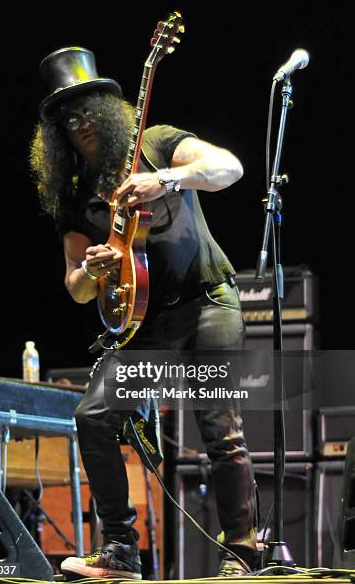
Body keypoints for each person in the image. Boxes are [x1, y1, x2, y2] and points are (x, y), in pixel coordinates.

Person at [30, 46, 258, 580]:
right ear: (57, 133)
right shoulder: (74, 196)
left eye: (88, 109)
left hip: (206, 302)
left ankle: (243, 554)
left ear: (109, 110)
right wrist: (96, 268)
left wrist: (169, 180)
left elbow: (231, 167)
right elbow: (78, 289)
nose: (80, 123)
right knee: (94, 416)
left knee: (219, 427)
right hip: (145, 324)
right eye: (68, 117)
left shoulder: (156, 145)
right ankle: (120, 551)